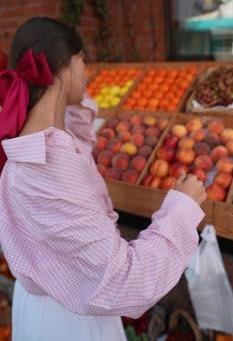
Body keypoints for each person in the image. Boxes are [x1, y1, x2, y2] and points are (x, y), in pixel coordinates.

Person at [0, 17, 206, 341]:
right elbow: (124, 280)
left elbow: (75, 144)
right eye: (83, 61)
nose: (88, 73)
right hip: (71, 321)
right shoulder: (48, 170)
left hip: (51, 306)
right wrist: (181, 211)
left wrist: (65, 95)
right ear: (64, 65)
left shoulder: (37, 145)